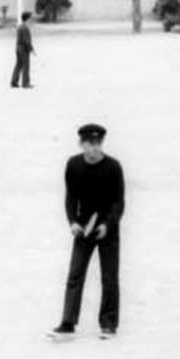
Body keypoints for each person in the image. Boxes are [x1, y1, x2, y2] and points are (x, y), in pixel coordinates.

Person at [50, 123, 125, 340]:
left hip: (107, 228)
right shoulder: (73, 165)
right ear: (81, 144)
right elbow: (71, 197)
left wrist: (107, 225)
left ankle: (109, 325)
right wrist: (73, 221)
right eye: (90, 144)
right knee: (75, 276)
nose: (94, 148)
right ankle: (67, 323)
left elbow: (118, 203)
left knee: (109, 278)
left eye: (98, 143)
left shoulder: (113, 167)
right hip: (83, 228)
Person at [10, 10, 35, 88]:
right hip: (23, 50)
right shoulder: (25, 28)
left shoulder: (21, 26)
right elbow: (26, 41)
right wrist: (31, 49)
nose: (32, 20)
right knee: (26, 66)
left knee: (18, 65)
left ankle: (14, 82)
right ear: (27, 19)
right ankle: (25, 83)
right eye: (31, 18)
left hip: (18, 48)